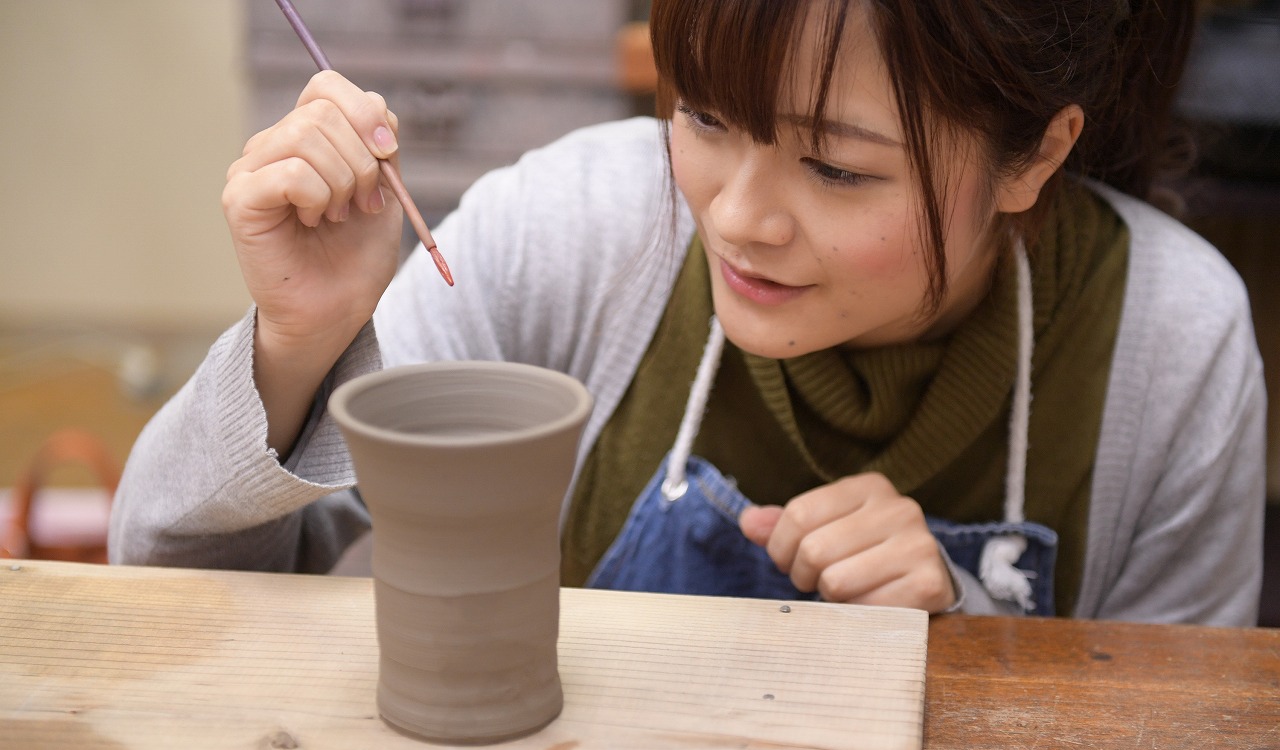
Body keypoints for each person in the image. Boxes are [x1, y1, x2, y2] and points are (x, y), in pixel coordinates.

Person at [109, 0, 1266, 624]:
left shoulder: (1167, 341)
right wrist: (296, 341)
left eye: (836, 169)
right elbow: (174, 603)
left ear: (1035, 156)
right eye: (706, 118)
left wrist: (965, 636)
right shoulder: (572, 230)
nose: (740, 219)